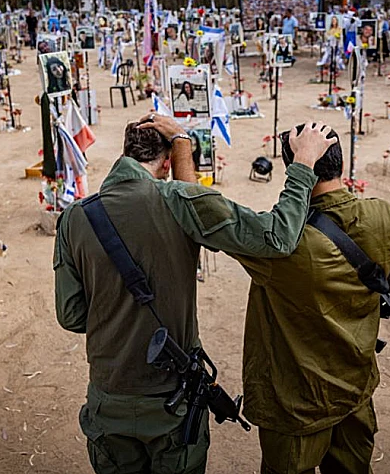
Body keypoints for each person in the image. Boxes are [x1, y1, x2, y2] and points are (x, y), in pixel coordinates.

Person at [54, 116, 336, 474]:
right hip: (171, 403)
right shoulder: (178, 201)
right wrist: (304, 164)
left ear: (124, 153)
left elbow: (72, 316)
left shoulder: (74, 217)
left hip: (108, 399)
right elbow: (277, 237)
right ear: (168, 162)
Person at [229, 124, 390, 474]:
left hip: (295, 404)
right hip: (354, 390)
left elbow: (205, 217)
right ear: (339, 161)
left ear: (293, 168)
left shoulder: (278, 244)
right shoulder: (386, 216)